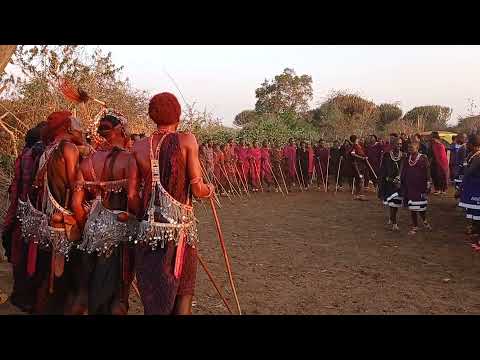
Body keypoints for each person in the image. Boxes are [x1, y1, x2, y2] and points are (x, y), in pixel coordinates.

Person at [128, 92, 214, 315]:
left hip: (148, 231)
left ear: (152, 115)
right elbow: (198, 188)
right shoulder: (187, 140)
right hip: (180, 234)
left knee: (153, 295)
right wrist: (210, 190)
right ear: (178, 113)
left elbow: (132, 197)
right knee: (183, 295)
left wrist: (145, 220)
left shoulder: (138, 147)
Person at [21, 111, 87, 314]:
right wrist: (85, 225)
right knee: (66, 286)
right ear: (68, 128)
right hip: (64, 226)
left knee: (49, 281)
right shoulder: (68, 149)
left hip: (46, 224)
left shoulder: (47, 150)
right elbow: (76, 190)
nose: (81, 129)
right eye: (78, 125)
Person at [77, 110, 136, 315]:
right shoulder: (129, 160)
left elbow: (78, 199)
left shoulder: (87, 162)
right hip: (120, 230)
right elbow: (133, 196)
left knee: (94, 282)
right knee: (118, 292)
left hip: (91, 229)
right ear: (120, 129)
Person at [2, 122, 46, 312]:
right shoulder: (41, 155)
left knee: (21, 257)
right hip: (36, 214)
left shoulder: (24, 156)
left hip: (21, 212)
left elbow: (16, 189)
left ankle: (22, 296)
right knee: (34, 260)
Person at [400, 140, 432, 235]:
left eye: (411, 148)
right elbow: (403, 170)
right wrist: (401, 181)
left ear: (417, 148)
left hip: (420, 186)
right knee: (412, 206)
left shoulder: (423, 158)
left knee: (421, 206)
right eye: (408, 148)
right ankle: (415, 226)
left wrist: (428, 182)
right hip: (410, 186)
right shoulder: (407, 158)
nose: (409, 149)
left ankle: (425, 221)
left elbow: (428, 170)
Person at [378, 137, 405, 231]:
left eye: (400, 144)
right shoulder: (387, 155)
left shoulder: (404, 156)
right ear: (392, 145)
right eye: (397, 144)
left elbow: (404, 169)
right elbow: (383, 170)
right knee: (393, 204)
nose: (399, 146)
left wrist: (399, 178)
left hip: (399, 183)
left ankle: (391, 218)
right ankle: (394, 223)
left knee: (396, 203)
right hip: (389, 183)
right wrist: (388, 179)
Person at [458, 134, 480, 249]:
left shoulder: (478, 157)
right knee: (474, 215)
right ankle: (476, 237)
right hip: (472, 189)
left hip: (476, 190)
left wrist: (460, 188)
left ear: (472, 144)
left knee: (478, 216)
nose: (466, 145)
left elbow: (468, 173)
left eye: (468, 143)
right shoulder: (473, 155)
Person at [348, 135, 368, 200]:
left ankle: (359, 195)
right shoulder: (354, 146)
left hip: (361, 165)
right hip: (357, 165)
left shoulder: (359, 146)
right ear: (355, 139)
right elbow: (353, 154)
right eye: (357, 138)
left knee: (360, 179)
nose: (358, 139)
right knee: (360, 179)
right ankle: (360, 195)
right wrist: (362, 158)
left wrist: (364, 157)